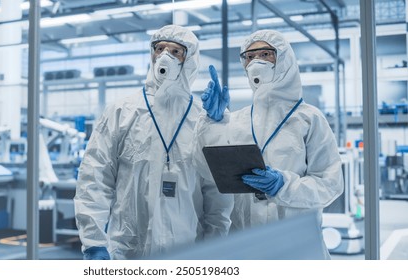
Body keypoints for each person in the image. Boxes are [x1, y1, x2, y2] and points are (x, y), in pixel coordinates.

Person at [74, 25, 233, 260]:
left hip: (188, 252)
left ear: (189, 60)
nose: (165, 56)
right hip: (128, 250)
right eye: (159, 49)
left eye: (175, 51)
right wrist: (94, 242)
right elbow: (94, 178)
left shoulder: (201, 118)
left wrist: (214, 246)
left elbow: (218, 193)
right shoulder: (122, 112)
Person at [194, 29, 344, 259]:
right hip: (245, 246)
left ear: (283, 59)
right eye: (250, 56)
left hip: (296, 248)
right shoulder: (238, 120)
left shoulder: (309, 118)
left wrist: (283, 185)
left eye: (265, 54)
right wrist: (212, 123)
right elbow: (207, 170)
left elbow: (330, 184)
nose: (256, 61)